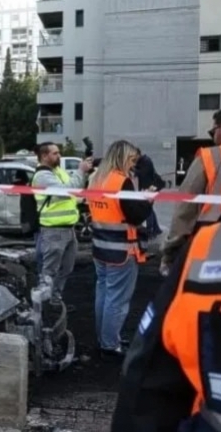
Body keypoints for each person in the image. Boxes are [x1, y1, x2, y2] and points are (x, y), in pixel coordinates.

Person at [110, 65, 221, 432]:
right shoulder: (208, 253)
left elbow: (184, 209)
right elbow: (151, 387)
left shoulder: (208, 160)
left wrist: (171, 247)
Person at [159, 103, 221, 276]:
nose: (213, 137)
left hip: (213, 244)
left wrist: (171, 250)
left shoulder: (211, 157)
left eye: (213, 132)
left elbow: (185, 210)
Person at [86, 140, 152, 359]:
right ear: (122, 157)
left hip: (100, 246)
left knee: (104, 294)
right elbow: (135, 215)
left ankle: (105, 337)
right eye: (131, 159)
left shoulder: (96, 178)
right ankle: (109, 343)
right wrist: (148, 201)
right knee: (117, 299)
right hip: (121, 250)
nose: (133, 164)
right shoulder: (122, 182)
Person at [31, 142, 93, 311]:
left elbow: (72, 191)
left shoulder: (57, 171)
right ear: (44, 156)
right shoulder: (42, 176)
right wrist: (81, 170)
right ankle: (41, 308)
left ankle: (55, 300)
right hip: (54, 230)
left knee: (66, 268)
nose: (59, 156)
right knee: (49, 272)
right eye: (55, 153)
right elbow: (67, 191)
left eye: (59, 153)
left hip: (68, 228)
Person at [134, 153, 166, 238]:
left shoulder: (146, 161)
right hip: (149, 187)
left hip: (151, 187)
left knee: (148, 209)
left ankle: (150, 230)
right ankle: (156, 228)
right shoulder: (142, 162)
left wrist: (134, 170)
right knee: (150, 208)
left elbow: (143, 173)